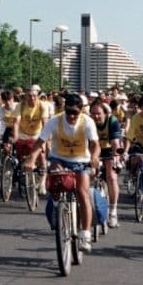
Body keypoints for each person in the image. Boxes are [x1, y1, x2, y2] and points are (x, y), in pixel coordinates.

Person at [28, 93, 100, 252]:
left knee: (82, 192)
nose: (71, 116)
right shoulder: (55, 121)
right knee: (54, 178)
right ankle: (55, 206)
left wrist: (94, 157)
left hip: (81, 160)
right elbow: (40, 142)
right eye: (68, 112)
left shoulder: (87, 122)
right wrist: (31, 159)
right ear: (64, 109)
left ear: (81, 110)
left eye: (75, 112)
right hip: (59, 158)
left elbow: (95, 144)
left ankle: (86, 234)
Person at [91, 99, 123, 227]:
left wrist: (116, 155)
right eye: (93, 114)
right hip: (94, 150)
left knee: (111, 176)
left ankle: (113, 211)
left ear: (105, 113)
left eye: (98, 113)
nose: (96, 116)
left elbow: (115, 142)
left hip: (110, 150)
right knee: (90, 174)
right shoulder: (88, 122)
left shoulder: (112, 121)